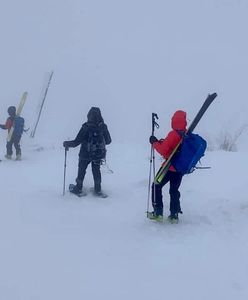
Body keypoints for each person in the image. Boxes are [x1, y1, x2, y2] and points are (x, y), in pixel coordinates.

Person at [148, 110, 187, 223]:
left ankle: (158, 212)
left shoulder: (173, 134)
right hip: (179, 169)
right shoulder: (186, 133)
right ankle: (174, 215)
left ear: (174, 120)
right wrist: (162, 142)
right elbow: (174, 148)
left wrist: (154, 143)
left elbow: (164, 150)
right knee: (174, 190)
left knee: (156, 185)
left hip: (168, 168)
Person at [63, 107, 112, 196]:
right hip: (97, 155)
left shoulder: (86, 127)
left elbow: (76, 142)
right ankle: (98, 190)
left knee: (81, 170)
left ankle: (78, 188)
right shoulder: (103, 127)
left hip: (84, 154)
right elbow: (108, 141)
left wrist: (66, 143)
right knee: (96, 171)